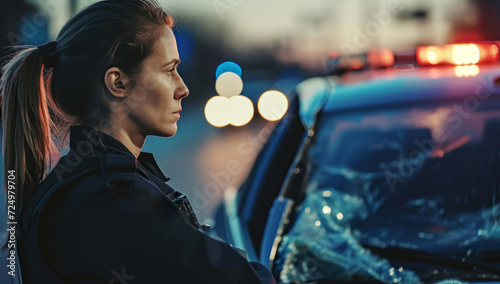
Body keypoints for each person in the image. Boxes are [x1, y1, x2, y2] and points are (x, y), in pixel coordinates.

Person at [0, 0, 276, 283]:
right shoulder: (112, 198)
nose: (183, 88)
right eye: (169, 70)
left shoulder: (100, 183)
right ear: (118, 83)